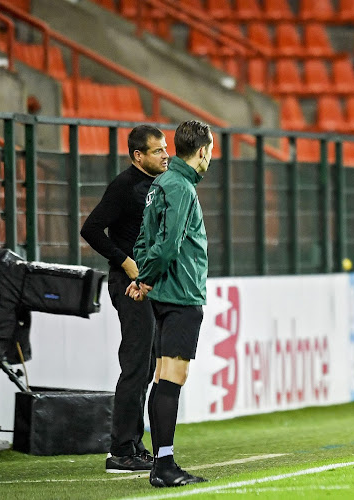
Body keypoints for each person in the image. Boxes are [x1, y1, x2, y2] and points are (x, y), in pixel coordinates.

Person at [126, 120, 214, 487]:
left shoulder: (160, 183)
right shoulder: (180, 187)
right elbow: (169, 244)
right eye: (211, 151)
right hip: (180, 293)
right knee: (171, 381)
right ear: (203, 151)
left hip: (164, 293)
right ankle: (164, 466)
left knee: (163, 377)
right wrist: (145, 278)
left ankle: (161, 462)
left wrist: (142, 279)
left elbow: (144, 240)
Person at [80, 125, 169, 473]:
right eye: (157, 150)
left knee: (147, 365)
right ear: (138, 155)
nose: (165, 154)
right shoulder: (124, 186)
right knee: (135, 364)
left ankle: (133, 443)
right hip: (128, 284)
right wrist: (125, 261)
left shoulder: (158, 184)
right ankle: (119, 450)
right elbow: (90, 228)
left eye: (165, 148)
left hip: (149, 285)